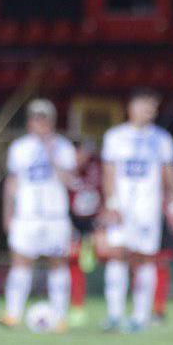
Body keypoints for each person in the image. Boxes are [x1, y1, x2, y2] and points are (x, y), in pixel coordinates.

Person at [99, 88, 173, 333]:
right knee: (117, 254)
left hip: (148, 208)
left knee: (145, 257)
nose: (149, 111)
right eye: (145, 105)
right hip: (122, 207)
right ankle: (114, 314)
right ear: (132, 106)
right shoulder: (115, 136)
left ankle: (140, 316)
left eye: (153, 107)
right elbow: (108, 173)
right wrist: (111, 204)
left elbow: (171, 176)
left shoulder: (161, 139)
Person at [0, 99, 78, 332]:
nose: (40, 123)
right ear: (30, 122)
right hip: (27, 215)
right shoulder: (19, 148)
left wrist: (51, 154)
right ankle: (12, 313)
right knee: (20, 262)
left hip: (55, 215)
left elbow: (69, 180)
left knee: (58, 263)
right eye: (36, 119)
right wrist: (8, 213)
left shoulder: (63, 147)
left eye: (44, 119)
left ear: (52, 122)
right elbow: (12, 183)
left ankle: (60, 317)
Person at [66, 137, 102, 326]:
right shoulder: (64, 170)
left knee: (88, 263)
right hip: (71, 222)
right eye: (80, 152)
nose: (83, 156)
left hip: (95, 223)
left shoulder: (98, 167)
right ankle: (75, 306)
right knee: (74, 264)